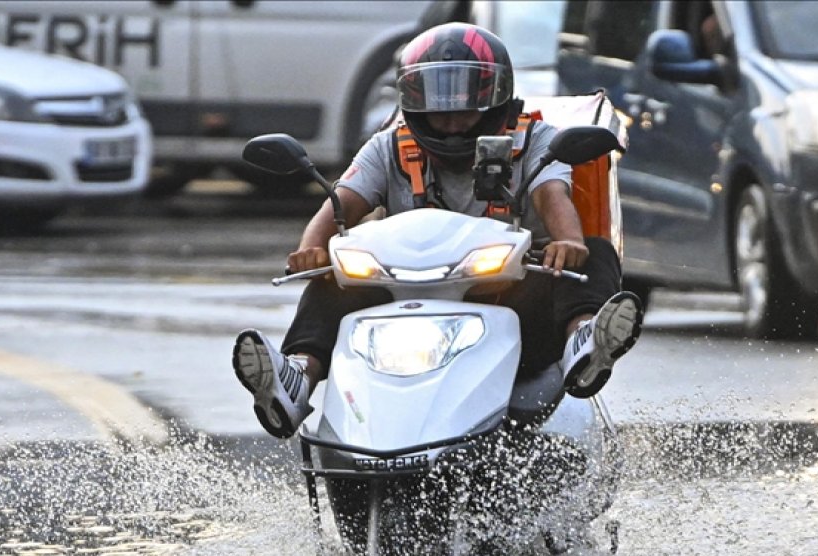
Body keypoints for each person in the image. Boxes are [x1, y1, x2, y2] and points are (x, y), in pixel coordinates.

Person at [232, 23, 643, 438]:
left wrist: (568, 242)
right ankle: (298, 375)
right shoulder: (387, 147)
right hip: (403, 299)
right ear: (413, 102)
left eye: (465, 108)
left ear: (495, 100)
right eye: (438, 109)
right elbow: (337, 206)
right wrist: (311, 250)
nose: (450, 122)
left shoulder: (537, 141)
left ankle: (584, 340)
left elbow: (552, 196)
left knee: (594, 251)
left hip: (515, 300)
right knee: (330, 280)